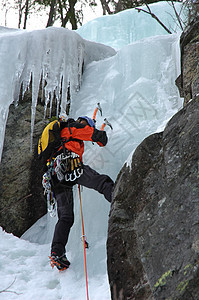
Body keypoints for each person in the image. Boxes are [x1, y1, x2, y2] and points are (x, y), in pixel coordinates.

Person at [39, 114, 114, 271]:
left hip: (56, 176)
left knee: (66, 217)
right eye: (87, 125)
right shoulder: (73, 127)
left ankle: (57, 253)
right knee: (100, 182)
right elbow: (98, 137)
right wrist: (100, 135)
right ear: (84, 123)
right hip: (69, 166)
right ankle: (117, 196)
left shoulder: (63, 137)